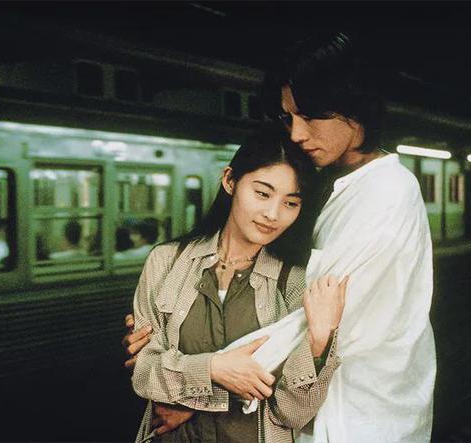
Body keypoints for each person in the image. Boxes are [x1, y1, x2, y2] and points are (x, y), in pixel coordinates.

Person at [124, 33, 436, 442]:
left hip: (361, 415)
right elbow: (147, 360)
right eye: (289, 119)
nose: (297, 134)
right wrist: (163, 350)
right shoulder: (328, 183)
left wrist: (192, 390)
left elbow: (318, 322)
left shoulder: (387, 194)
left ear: (354, 109)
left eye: (310, 117)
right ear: (230, 183)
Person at [130, 130, 349, 442]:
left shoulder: (297, 280)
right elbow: (143, 373)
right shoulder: (166, 262)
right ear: (230, 181)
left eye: (290, 202)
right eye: (262, 193)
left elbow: (292, 412)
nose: (273, 214)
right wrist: (214, 369)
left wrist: (319, 341)